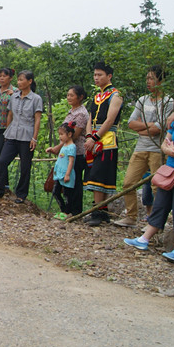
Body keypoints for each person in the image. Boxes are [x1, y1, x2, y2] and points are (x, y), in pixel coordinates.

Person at [124, 87, 174, 262]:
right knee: (161, 202)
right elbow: (166, 142)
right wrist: (168, 150)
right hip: (170, 169)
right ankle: (145, 238)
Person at [114, 66, 174, 227]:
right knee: (128, 183)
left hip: (157, 149)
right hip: (140, 147)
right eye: (147, 78)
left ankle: (157, 221)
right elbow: (131, 123)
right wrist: (149, 127)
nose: (148, 81)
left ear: (161, 81)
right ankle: (131, 216)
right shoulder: (142, 100)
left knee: (157, 186)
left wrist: (142, 128)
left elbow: (159, 128)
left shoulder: (168, 101)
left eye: (152, 78)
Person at [0, 70, 43, 204]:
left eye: (21, 80)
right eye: (18, 80)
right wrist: (8, 130)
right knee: (2, 161)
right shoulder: (14, 97)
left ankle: (21, 194)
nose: (19, 82)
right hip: (12, 134)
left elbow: (37, 119)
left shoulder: (36, 99)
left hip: (27, 136)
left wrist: (34, 138)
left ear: (29, 81)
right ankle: (0, 189)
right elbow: (10, 115)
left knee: (25, 166)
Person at [83, 62, 123, 226]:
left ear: (109, 76)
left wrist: (95, 137)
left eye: (100, 75)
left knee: (100, 175)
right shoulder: (96, 96)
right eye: (95, 75)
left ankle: (98, 212)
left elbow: (110, 119)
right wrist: (88, 136)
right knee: (93, 173)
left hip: (107, 139)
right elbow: (90, 118)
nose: (96, 78)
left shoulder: (116, 95)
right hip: (93, 138)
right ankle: (100, 211)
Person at [45, 86, 89, 215]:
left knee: (74, 183)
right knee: (63, 185)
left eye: (72, 95)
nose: (69, 97)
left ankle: (75, 211)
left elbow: (74, 136)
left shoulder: (81, 114)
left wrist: (57, 148)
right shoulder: (72, 112)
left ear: (80, 97)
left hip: (77, 152)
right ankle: (67, 210)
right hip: (65, 151)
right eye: (68, 95)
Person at [50, 123, 77, 219]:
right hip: (59, 174)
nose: (60, 137)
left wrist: (67, 174)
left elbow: (71, 162)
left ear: (69, 134)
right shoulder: (64, 146)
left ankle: (67, 212)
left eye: (62, 134)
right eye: (59, 134)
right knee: (56, 192)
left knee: (67, 194)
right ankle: (63, 209)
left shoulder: (71, 147)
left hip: (66, 174)